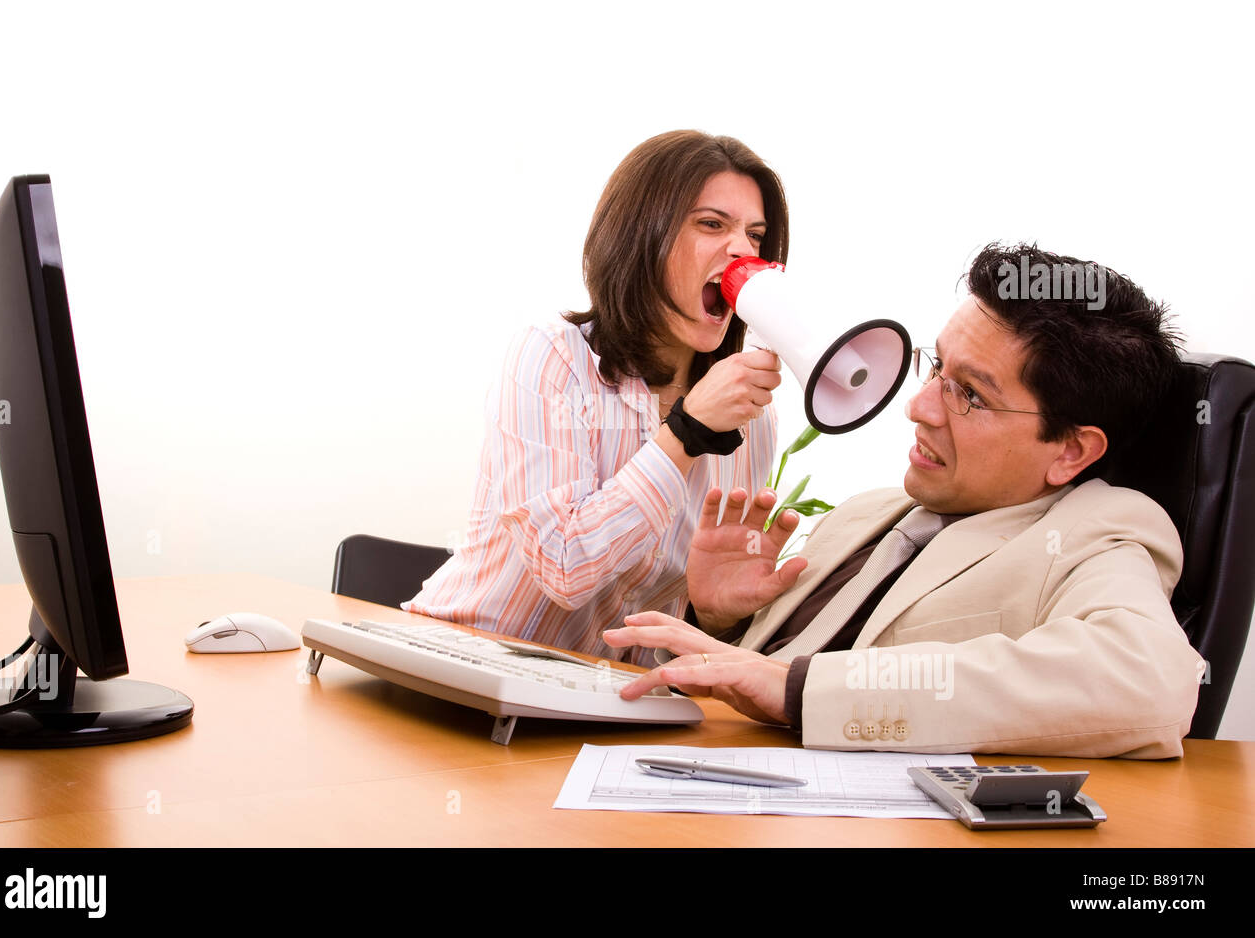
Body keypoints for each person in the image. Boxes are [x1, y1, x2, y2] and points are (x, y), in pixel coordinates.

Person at [606, 243, 1204, 758]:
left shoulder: (1100, 528)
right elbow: (746, 687)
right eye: (937, 366)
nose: (918, 406)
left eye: (968, 394)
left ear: (1071, 452)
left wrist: (800, 690)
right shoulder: (867, 514)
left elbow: (1147, 681)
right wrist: (720, 619)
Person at [404, 131, 788, 662]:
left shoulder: (751, 418)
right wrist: (686, 432)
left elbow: (676, 625)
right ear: (640, 239)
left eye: (756, 234)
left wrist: (712, 615)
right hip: (462, 667)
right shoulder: (553, 359)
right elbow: (563, 567)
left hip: (602, 706)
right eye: (711, 224)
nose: (744, 250)